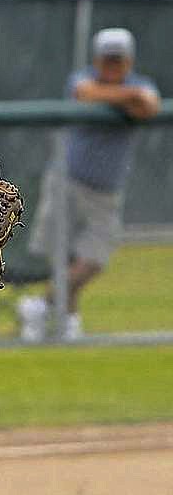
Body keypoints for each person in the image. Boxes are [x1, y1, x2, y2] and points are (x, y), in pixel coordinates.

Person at [18, 28, 161, 342]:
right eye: (107, 60)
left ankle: (40, 305)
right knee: (62, 257)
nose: (112, 67)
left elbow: (149, 105)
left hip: (105, 191)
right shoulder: (83, 79)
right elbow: (85, 93)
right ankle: (67, 322)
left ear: (129, 61)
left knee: (95, 259)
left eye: (118, 61)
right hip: (67, 180)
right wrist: (127, 99)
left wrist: (128, 97)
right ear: (97, 60)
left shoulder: (141, 85)